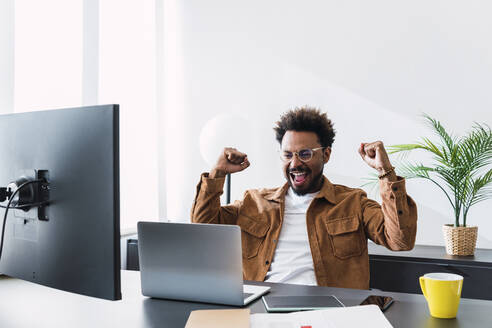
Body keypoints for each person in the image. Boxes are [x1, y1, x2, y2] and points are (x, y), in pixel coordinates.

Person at [191, 106, 417, 289]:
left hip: (333, 314)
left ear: (326, 155)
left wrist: (385, 172)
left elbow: (400, 240)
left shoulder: (353, 202)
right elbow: (202, 230)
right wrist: (217, 173)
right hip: (263, 309)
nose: (295, 163)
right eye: (288, 155)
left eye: (305, 154)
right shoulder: (253, 202)